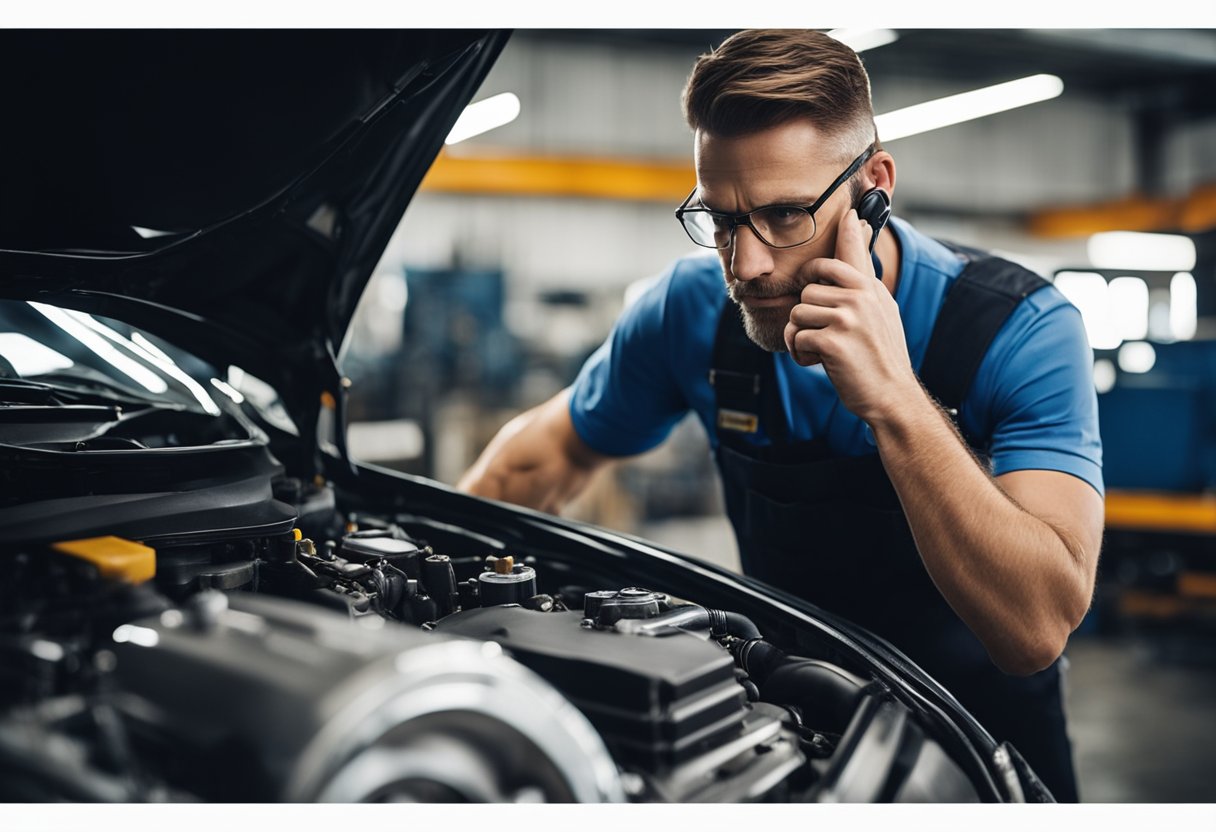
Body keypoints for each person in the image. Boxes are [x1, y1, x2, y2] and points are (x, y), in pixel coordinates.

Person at [458, 29, 1103, 801]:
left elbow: (1034, 631)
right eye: (723, 219)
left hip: (986, 753)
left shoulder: (1021, 330)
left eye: (786, 215)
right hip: (797, 739)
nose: (748, 264)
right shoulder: (689, 312)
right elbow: (534, 464)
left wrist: (896, 399)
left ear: (874, 187)